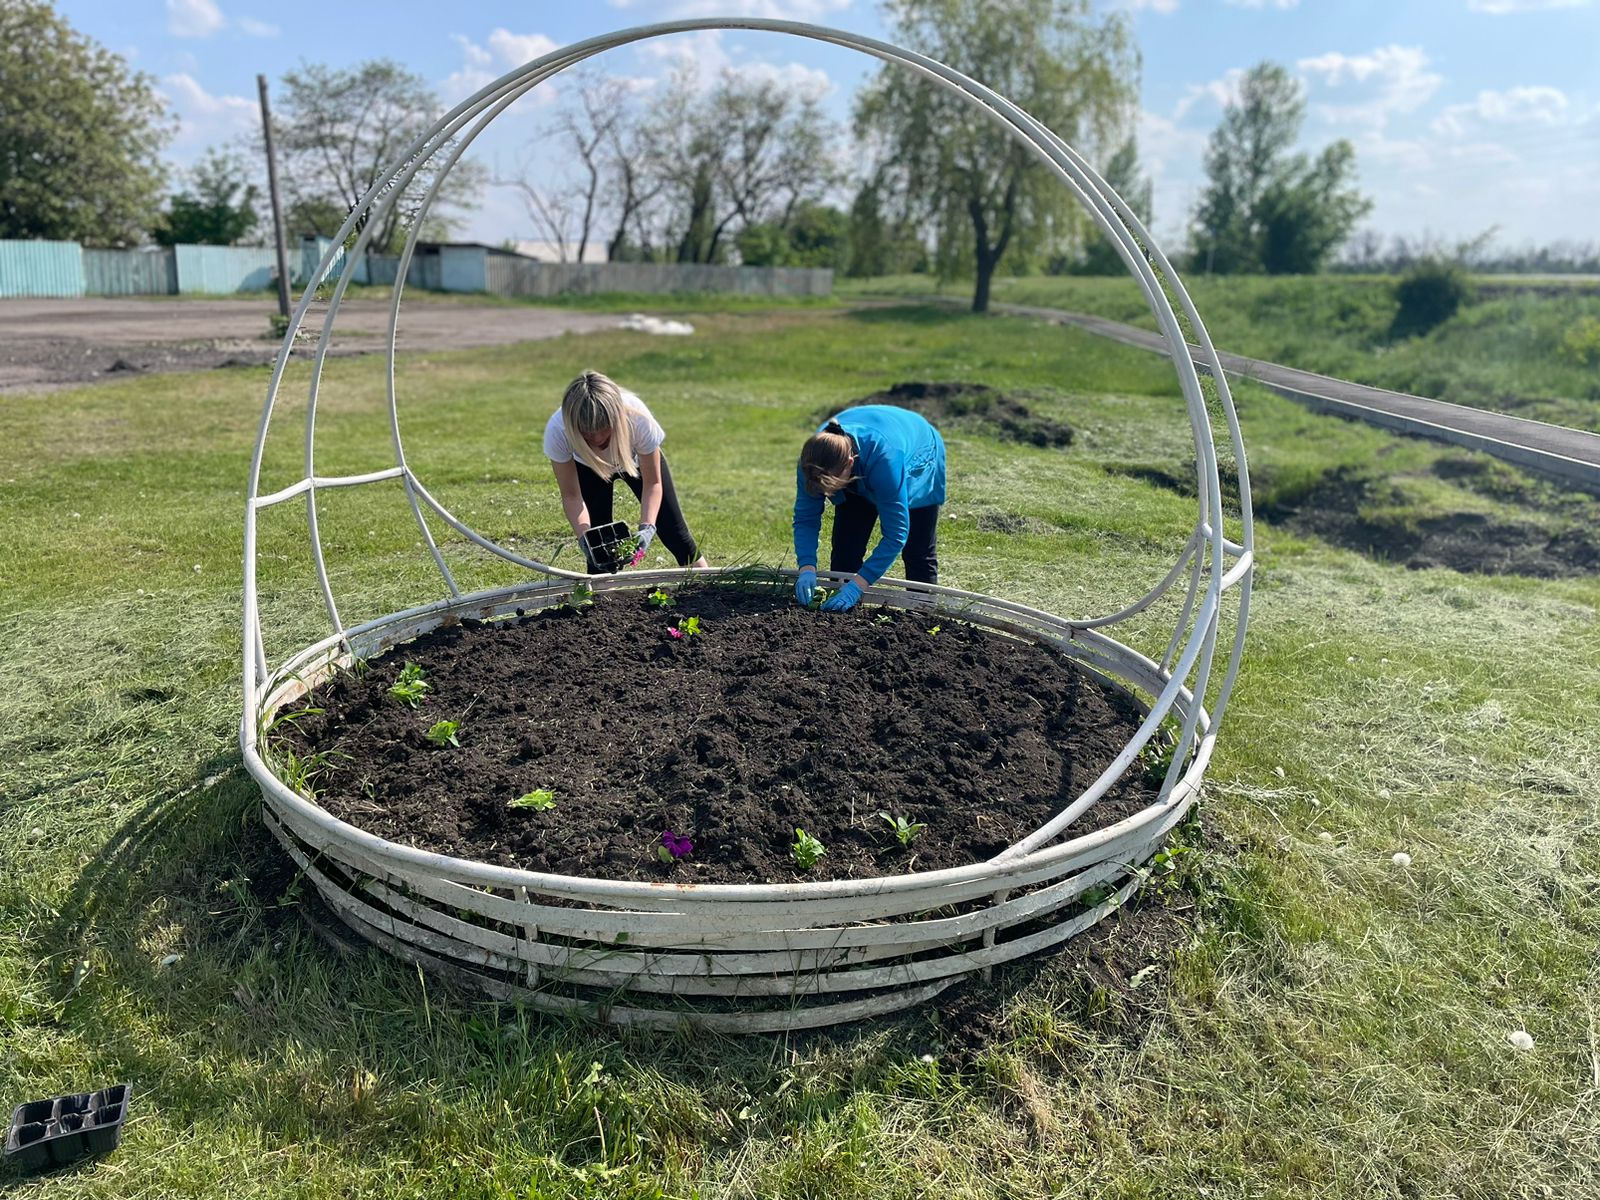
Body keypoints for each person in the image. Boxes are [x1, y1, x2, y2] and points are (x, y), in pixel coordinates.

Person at [545, 371, 708, 573]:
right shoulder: (557, 430)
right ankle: (601, 603)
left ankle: (711, 591)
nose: (597, 439)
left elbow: (653, 484)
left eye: (605, 430)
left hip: (636, 464)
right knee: (599, 553)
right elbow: (571, 496)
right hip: (588, 470)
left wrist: (647, 528)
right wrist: (586, 539)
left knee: (677, 536)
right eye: (587, 434)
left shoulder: (638, 419)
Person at [793, 404, 946, 612]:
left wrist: (858, 586)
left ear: (849, 463)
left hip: (916, 449)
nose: (827, 495)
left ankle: (922, 615)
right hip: (863, 454)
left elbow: (896, 535)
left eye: (831, 487)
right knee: (846, 550)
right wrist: (807, 567)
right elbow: (805, 518)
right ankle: (840, 617)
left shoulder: (887, 461)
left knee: (917, 550)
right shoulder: (813, 460)